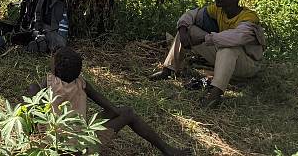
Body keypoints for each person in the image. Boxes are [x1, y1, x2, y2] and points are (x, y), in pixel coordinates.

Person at [27, 47, 190, 156]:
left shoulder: (47, 83)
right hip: (84, 146)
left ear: (55, 69)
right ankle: (168, 150)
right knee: (127, 112)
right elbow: (110, 108)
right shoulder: (81, 82)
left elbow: (33, 107)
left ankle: (32, 134)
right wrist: (112, 117)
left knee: (32, 90)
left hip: (55, 145)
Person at [149, 0, 265, 108]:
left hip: (247, 65)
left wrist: (206, 38)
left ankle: (215, 95)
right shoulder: (218, 9)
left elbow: (235, 38)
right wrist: (182, 30)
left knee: (228, 48)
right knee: (189, 30)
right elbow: (192, 14)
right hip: (225, 58)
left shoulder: (249, 18)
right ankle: (169, 70)